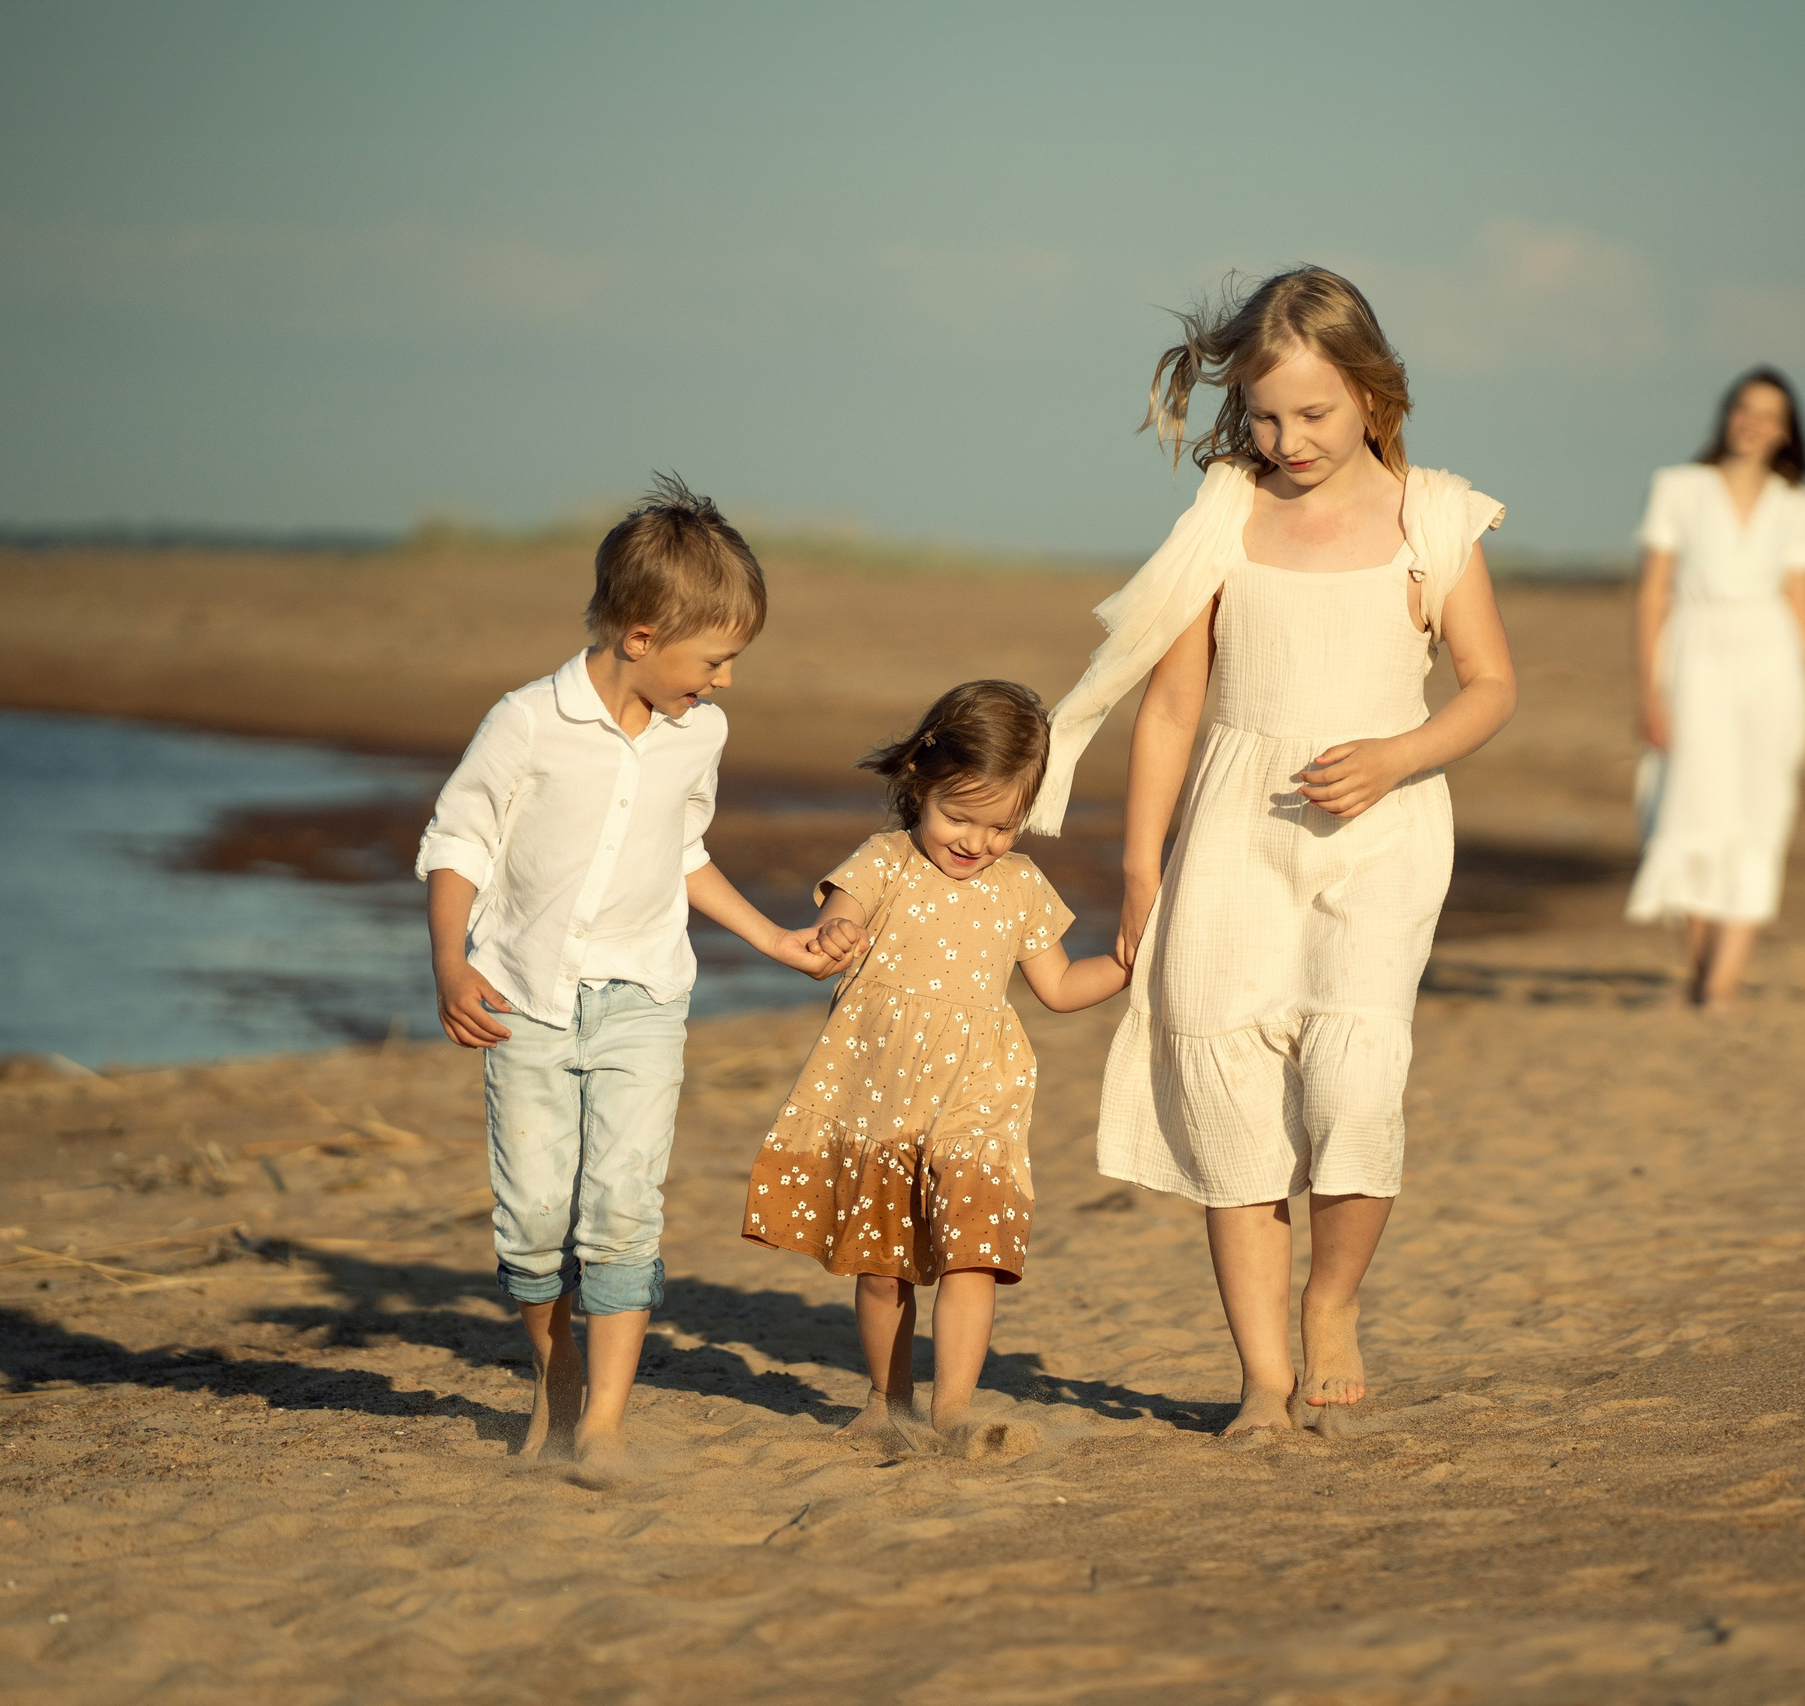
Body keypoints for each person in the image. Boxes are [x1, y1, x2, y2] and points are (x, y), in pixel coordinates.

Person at [1024, 266, 1518, 1436]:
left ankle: (1331, 1300)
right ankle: (1259, 1377)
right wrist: (1141, 870)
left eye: (1314, 413)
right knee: (1229, 1090)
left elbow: (1491, 687)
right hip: (1235, 824)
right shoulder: (1224, 519)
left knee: (1352, 1080)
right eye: (1262, 414)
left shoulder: (1434, 516)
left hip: (1382, 829)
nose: (1286, 439)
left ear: (1371, 395)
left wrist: (1399, 755)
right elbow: (1167, 709)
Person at [417, 474, 838, 1471]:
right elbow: (458, 840)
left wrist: (775, 939)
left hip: (645, 998)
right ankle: (556, 1374)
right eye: (716, 659)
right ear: (641, 635)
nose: (725, 681)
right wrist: (447, 960)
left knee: (620, 1210)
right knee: (531, 1227)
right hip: (522, 1000)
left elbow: (682, 850)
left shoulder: (704, 732)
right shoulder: (526, 721)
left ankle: (602, 1423)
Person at [741, 681, 1129, 1442]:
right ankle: (888, 1404)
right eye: (959, 816)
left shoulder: (1020, 884)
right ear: (919, 777)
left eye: (1001, 827)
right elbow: (834, 921)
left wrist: (1129, 962)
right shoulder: (883, 861)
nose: (975, 842)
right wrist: (836, 936)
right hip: (880, 1095)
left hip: (980, 1096)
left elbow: (1058, 985)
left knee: (972, 1252)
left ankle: (953, 1412)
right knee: (881, 1268)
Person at [1627, 367, 1805, 1008]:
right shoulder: (1680, 487)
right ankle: (1701, 970)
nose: (1753, 423)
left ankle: (1719, 985)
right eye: (1744, 409)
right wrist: (1649, 692)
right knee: (1689, 808)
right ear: (1727, 414)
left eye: (1770, 415)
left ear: (1786, 431)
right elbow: (1652, 594)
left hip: (1772, 666)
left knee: (1758, 815)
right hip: (1693, 658)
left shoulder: (1799, 505)